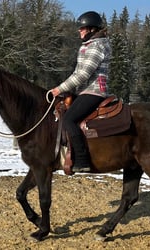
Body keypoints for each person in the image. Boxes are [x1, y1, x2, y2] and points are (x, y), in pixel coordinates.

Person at [50, 11, 112, 172]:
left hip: (94, 91)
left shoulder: (96, 46)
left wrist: (59, 89)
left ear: (92, 29)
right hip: (85, 90)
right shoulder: (89, 45)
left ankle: (83, 160)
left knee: (69, 120)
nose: (80, 31)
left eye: (83, 28)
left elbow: (83, 74)